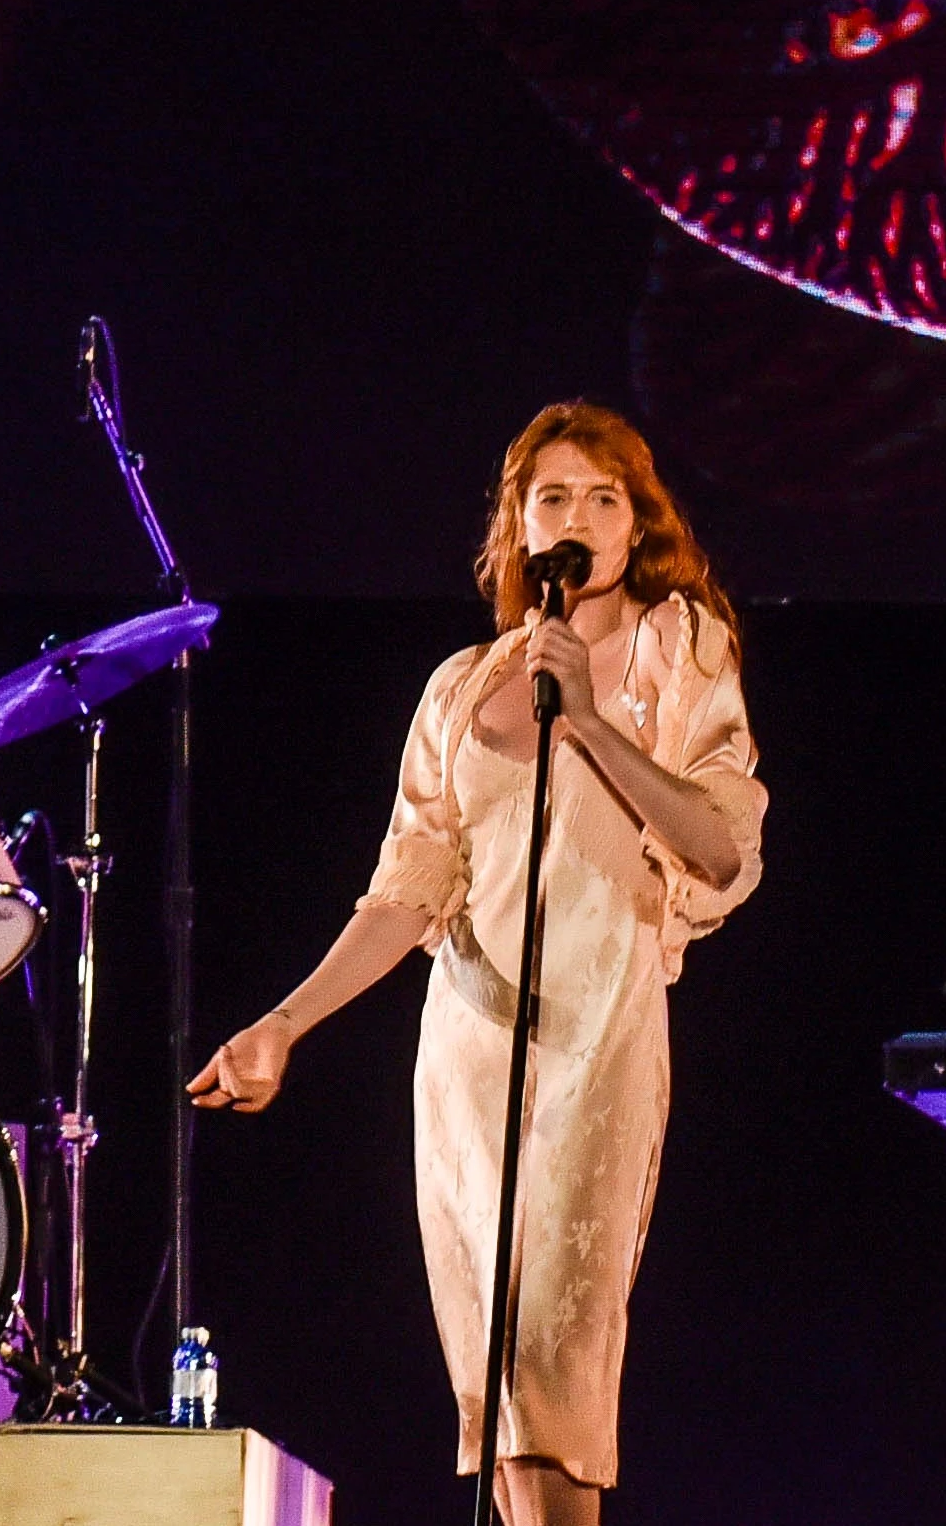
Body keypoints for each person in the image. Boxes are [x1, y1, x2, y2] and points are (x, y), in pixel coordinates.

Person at [193, 404, 767, 1524]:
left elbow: (718, 844)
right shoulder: (460, 686)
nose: (579, 517)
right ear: (518, 523)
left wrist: (593, 722)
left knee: (556, 1365)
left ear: (635, 521)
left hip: (597, 1037)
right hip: (468, 1049)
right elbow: (405, 892)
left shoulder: (678, 647)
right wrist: (283, 1025)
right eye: (553, 496)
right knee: (498, 1390)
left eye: (605, 497)